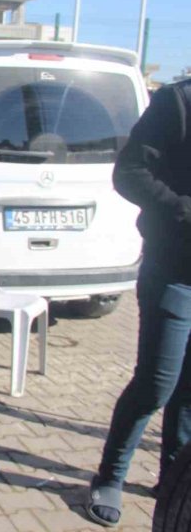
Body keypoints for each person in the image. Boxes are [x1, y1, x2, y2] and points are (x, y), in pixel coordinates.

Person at [87, 79, 191, 527]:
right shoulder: (178, 101)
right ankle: (110, 475)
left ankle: (173, 482)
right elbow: (128, 172)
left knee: (189, 396)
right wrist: (184, 209)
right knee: (155, 386)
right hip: (173, 270)